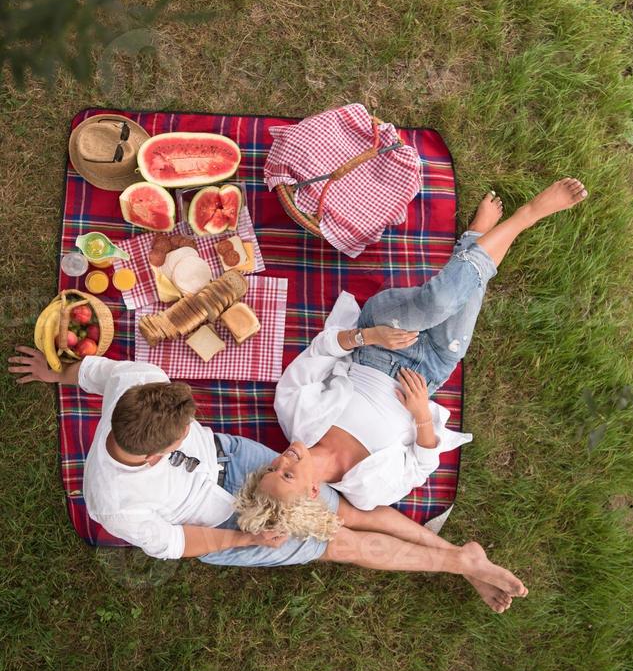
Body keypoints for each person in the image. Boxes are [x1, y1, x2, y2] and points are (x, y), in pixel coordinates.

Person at [7, 179, 586, 613]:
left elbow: (97, 374)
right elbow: (180, 543)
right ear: (155, 456)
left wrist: (56, 372)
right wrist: (248, 536)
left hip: (241, 464)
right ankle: (461, 562)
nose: (289, 450)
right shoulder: (114, 503)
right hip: (219, 523)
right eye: (188, 431)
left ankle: (463, 557)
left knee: (351, 515)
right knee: (340, 544)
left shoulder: (134, 385)